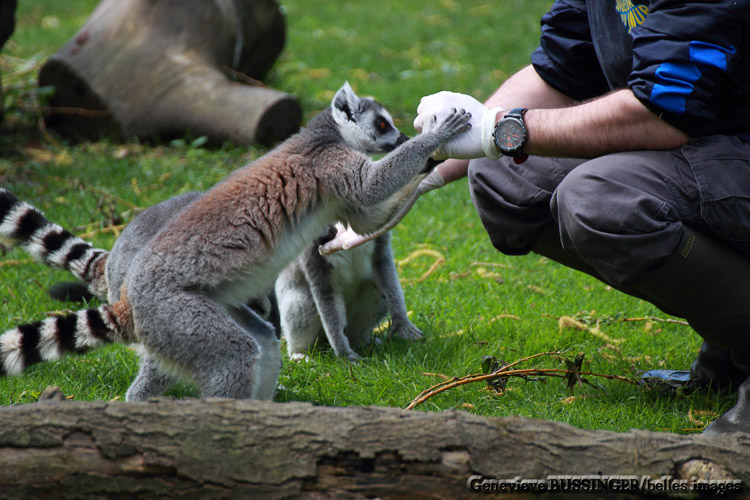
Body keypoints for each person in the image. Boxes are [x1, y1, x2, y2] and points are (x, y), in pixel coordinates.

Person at [331, 0, 750, 433]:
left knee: (600, 200)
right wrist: (410, 178)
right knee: (504, 178)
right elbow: (558, 73)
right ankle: (729, 348)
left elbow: (662, 112)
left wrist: (501, 128)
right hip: (708, 151)